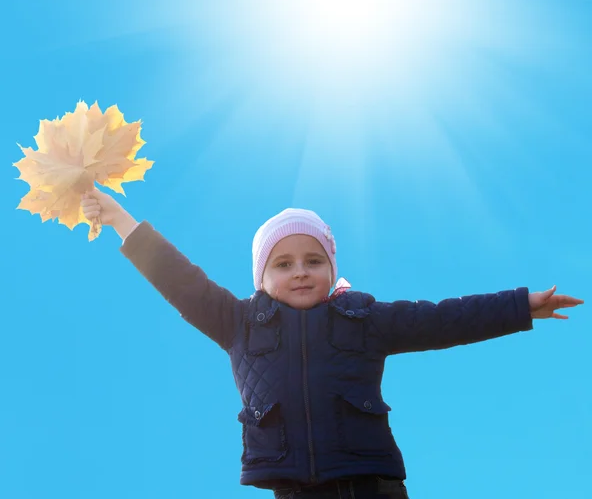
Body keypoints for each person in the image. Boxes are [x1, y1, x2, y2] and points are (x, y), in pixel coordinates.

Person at [80, 188, 584, 499]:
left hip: (372, 486)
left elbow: (445, 319)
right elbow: (177, 278)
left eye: (312, 260)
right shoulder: (236, 323)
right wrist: (122, 218)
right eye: (283, 263)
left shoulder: (365, 318)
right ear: (261, 277)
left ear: (331, 268)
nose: (300, 271)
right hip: (293, 492)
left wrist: (522, 306)